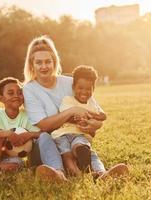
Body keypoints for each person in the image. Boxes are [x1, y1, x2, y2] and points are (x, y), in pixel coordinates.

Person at [23, 35, 128, 181]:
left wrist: (94, 124)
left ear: (55, 62)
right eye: (39, 62)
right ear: (31, 65)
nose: (44, 66)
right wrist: (71, 112)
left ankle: (102, 174)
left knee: (82, 144)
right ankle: (59, 174)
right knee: (44, 136)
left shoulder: (70, 82)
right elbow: (44, 125)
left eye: (48, 61)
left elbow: (93, 110)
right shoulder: (29, 89)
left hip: (72, 137)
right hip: (46, 145)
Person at [52, 65, 107, 177]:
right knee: (67, 155)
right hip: (62, 134)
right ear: (73, 87)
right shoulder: (68, 100)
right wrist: (80, 119)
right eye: (80, 88)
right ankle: (79, 174)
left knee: (84, 149)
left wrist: (87, 116)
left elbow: (103, 116)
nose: (84, 92)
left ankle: (101, 173)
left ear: (93, 89)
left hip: (80, 134)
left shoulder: (92, 102)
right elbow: (67, 116)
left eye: (88, 89)